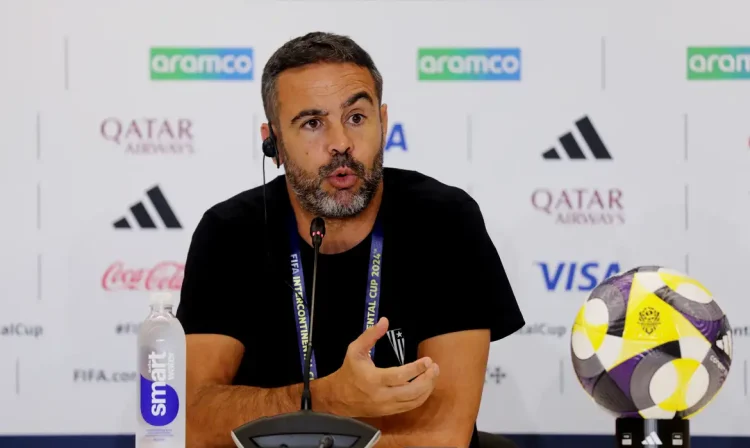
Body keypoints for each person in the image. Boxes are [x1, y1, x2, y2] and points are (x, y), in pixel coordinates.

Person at [176, 31, 525, 448]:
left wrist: (295, 426)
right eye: (312, 123)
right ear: (274, 145)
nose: (341, 143)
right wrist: (328, 399)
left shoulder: (445, 220)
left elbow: (441, 435)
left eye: (356, 117)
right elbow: (189, 421)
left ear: (384, 122)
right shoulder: (228, 232)